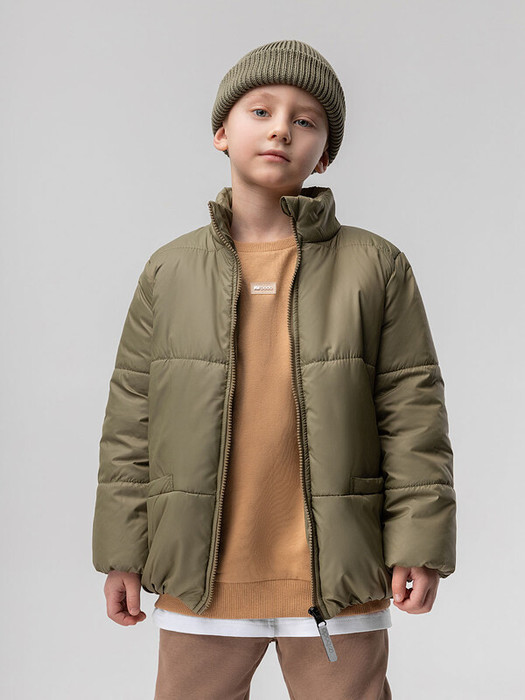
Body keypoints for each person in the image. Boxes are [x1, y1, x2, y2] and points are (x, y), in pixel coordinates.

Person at [92, 39, 457, 699]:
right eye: (260, 110)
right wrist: (122, 552)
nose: (281, 128)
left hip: (337, 580)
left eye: (305, 120)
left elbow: (413, 415)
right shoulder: (169, 271)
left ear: (325, 153)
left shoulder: (375, 267)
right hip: (202, 580)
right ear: (221, 133)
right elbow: (130, 421)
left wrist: (419, 543)